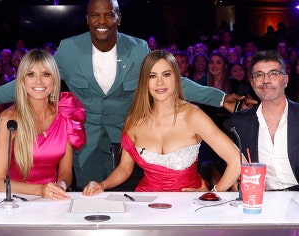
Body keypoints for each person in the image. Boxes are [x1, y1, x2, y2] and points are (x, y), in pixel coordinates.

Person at [0, 0, 248, 188]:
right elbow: (34, 79)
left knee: (125, 203)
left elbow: (173, 82)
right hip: (84, 145)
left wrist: (220, 98)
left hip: (129, 143)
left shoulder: (138, 48)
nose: (102, 20)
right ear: (88, 19)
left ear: (119, 18)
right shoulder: (69, 49)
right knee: (88, 201)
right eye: (96, 15)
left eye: (109, 14)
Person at [82, 50, 240, 194]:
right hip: (146, 203)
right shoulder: (134, 120)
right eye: (152, 76)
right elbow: (124, 168)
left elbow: (237, 161)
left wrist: (212, 194)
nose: (160, 83)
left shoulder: (193, 116)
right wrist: (103, 185)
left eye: (166, 75)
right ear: (145, 81)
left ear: (176, 78)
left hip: (189, 205)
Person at [232, 50, 299, 195]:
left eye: (273, 74)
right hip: (260, 199)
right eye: (259, 75)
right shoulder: (240, 121)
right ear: (252, 82)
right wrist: (235, 179)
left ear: (286, 80)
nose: (266, 80)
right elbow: (224, 157)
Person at [0, 49, 85, 199]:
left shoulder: (65, 114)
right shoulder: (8, 119)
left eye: (46, 74)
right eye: (31, 74)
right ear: (22, 80)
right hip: (13, 199)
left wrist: (59, 187)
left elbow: (66, 172)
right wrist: (40, 190)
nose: (39, 81)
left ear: (54, 79)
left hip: (51, 198)